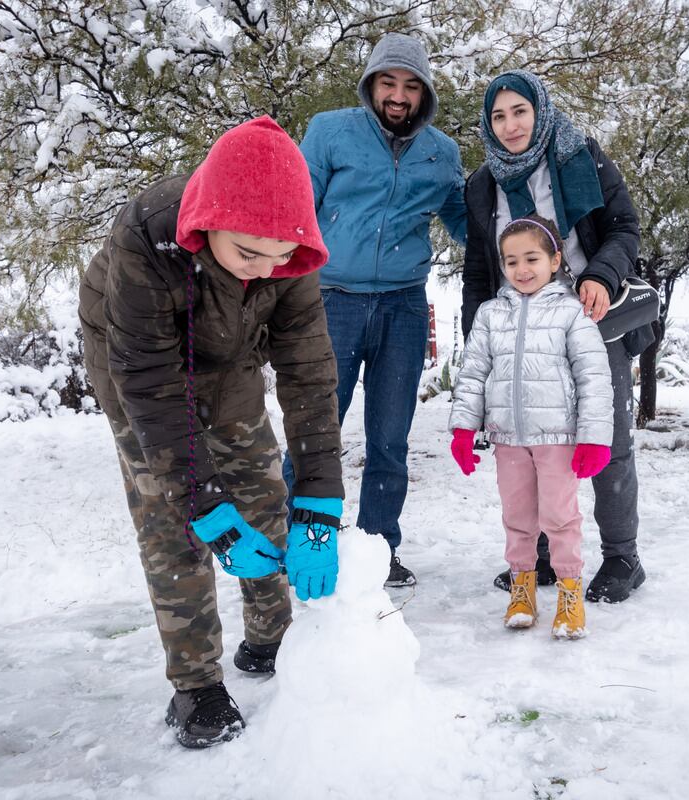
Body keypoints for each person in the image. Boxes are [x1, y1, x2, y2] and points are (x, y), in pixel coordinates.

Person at [78, 117, 344, 749]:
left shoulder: (288, 250)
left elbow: (308, 373)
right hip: (136, 369)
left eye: (278, 259)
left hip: (230, 360)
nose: (263, 270)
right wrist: (203, 505)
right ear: (206, 224)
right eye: (247, 253)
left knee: (259, 486)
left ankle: (270, 634)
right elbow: (148, 379)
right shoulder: (148, 237)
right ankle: (195, 684)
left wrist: (319, 501)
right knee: (175, 518)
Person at [461, 69, 646, 604]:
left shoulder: (578, 154)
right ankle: (539, 558)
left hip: (589, 319)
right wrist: (482, 339)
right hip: (518, 333)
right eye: (498, 115)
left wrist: (600, 276)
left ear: (539, 112)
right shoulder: (482, 185)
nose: (511, 124)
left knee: (606, 439)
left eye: (520, 111)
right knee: (528, 443)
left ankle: (622, 557)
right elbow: (479, 271)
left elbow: (624, 228)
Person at [292, 32, 467, 587]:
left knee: (390, 439)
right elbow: (296, 210)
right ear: (371, 85)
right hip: (331, 302)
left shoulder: (443, 153)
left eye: (411, 86)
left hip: (402, 308)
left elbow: (468, 225)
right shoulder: (329, 131)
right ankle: (293, 539)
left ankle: (376, 550)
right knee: (316, 433)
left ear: (425, 94)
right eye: (388, 82)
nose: (398, 95)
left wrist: (526, 233)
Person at [449, 215, 613, 638]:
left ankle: (569, 593)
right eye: (511, 261)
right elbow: (473, 372)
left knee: (560, 517)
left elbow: (594, 375)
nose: (522, 269)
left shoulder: (571, 313)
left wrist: (594, 438)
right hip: (508, 437)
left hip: (557, 438)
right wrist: (464, 429)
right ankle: (522, 588)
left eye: (532, 258)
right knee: (518, 516)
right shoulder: (489, 314)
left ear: (555, 258)